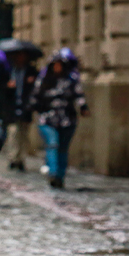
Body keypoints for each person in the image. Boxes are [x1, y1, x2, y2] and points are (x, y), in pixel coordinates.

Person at [29, 49, 90, 189]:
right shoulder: (44, 79)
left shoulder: (71, 79)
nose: (57, 67)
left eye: (60, 64)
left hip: (66, 119)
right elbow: (35, 95)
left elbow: (79, 95)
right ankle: (54, 173)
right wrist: (34, 106)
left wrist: (83, 107)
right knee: (52, 144)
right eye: (55, 64)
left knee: (63, 148)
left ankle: (60, 175)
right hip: (47, 118)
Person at [4, 51, 39, 171]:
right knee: (13, 133)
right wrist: (8, 88)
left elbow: (37, 89)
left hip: (26, 108)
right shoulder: (9, 71)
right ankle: (13, 158)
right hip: (13, 108)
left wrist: (31, 82)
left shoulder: (31, 71)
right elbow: (1, 91)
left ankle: (21, 159)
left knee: (24, 135)